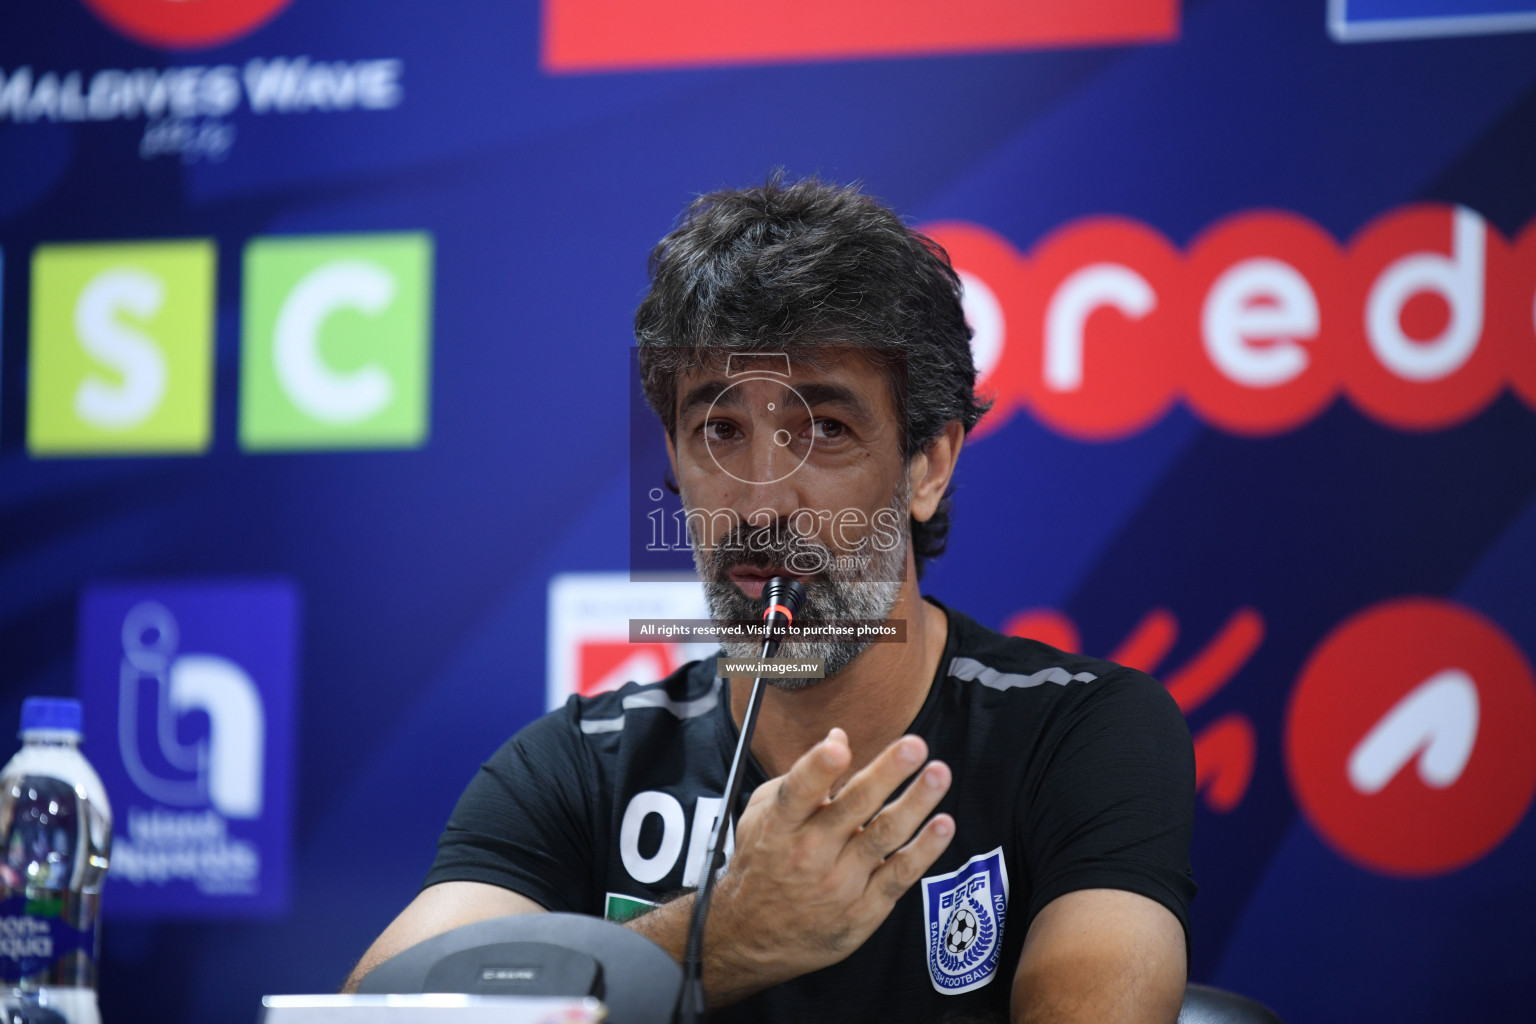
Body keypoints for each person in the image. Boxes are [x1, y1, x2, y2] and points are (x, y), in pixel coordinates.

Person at [346, 176, 1196, 1023]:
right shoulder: (575, 770)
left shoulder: (1080, 736)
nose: (760, 506)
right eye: (719, 431)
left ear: (928, 466)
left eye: (826, 431)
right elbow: (372, 1020)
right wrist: (720, 942)